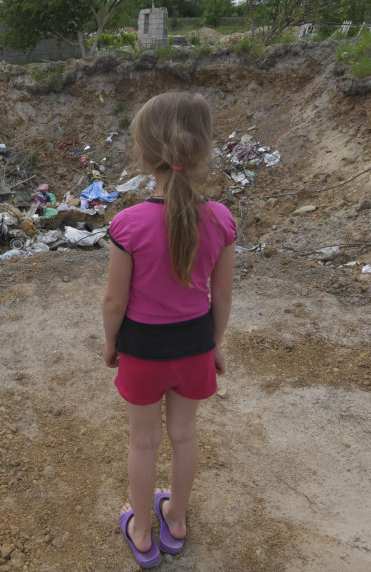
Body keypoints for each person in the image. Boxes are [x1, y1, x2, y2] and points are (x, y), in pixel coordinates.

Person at [102, 91, 235, 567]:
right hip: (195, 344)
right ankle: (175, 520)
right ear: (202, 150)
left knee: (143, 441)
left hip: (142, 349)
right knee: (184, 435)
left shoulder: (127, 223)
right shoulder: (220, 218)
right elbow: (221, 298)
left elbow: (115, 300)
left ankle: (141, 531)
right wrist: (214, 346)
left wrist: (111, 343)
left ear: (144, 152)